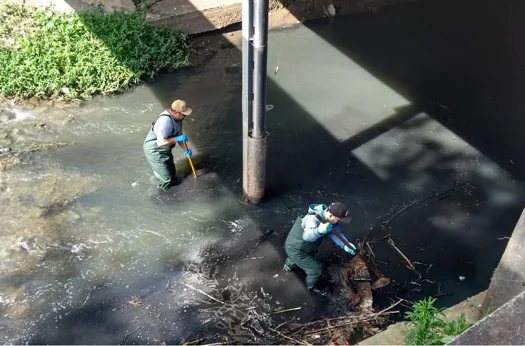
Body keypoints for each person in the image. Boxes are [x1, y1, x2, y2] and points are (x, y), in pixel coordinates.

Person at [283, 202, 356, 294]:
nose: (340, 222)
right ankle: (311, 287)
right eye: (339, 220)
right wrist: (318, 231)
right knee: (316, 269)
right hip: (296, 249)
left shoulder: (330, 219)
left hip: (302, 247)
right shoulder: (312, 219)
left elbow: (337, 234)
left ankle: (288, 267)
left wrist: (345, 244)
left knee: (298, 258)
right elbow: (307, 236)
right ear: (330, 215)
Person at [143, 100, 193, 191]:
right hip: (155, 150)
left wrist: (185, 150)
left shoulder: (178, 119)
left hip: (165, 149)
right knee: (166, 179)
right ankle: (163, 197)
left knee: (172, 173)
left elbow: (179, 135)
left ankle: (171, 186)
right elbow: (160, 142)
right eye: (184, 114)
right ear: (177, 113)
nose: (185, 116)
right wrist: (176, 139)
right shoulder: (165, 121)